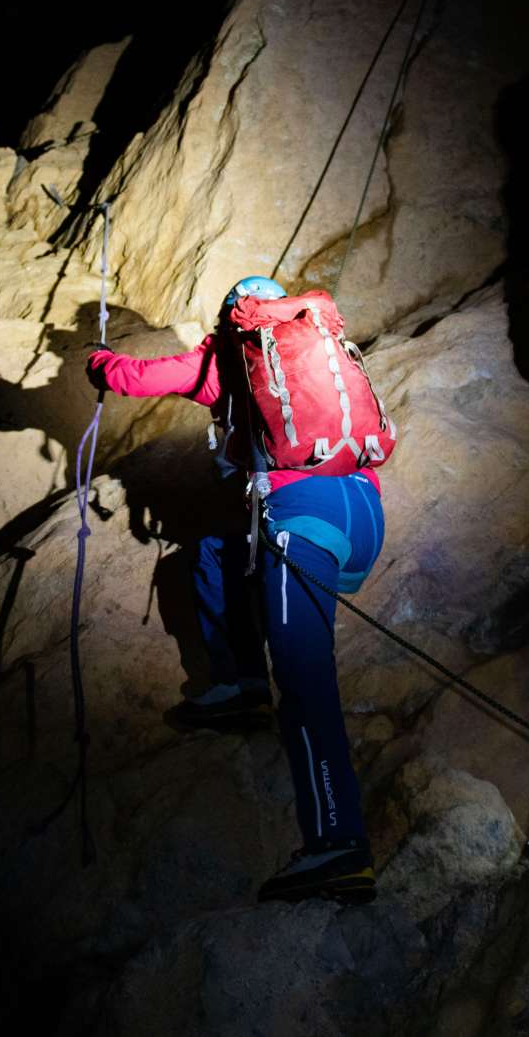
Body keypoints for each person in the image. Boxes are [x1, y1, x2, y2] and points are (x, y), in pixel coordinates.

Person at [87, 276, 386, 905]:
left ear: (234, 323)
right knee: (217, 553)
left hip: (302, 521)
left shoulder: (228, 357)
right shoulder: (315, 348)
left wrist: (99, 363)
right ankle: (242, 685)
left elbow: (138, 378)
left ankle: (338, 844)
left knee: (304, 682)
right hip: (362, 513)